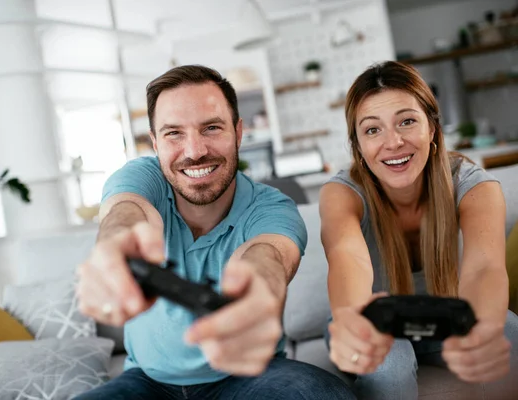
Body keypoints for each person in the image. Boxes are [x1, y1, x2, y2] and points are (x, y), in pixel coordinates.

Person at [74, 65, 355, 400]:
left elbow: (269, 254)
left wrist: (259, 286)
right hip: (146, 382)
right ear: (154, 142)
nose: (194, 151)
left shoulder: (271, 206)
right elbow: (125, 211)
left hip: (250, 378)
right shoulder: (141, 178)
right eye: (173, 133)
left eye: (211, 128)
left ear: (238, 132)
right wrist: (116, 242)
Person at [320, 60, 518, 400]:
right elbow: (347, 259)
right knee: (389, 365)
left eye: (407, 121)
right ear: (359, 147)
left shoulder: (474, 186)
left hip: (448, 314)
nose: (393, 142)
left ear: (433, 128)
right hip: (374, 319)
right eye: (372, 130)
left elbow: (484, 269)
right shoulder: (341, 194)